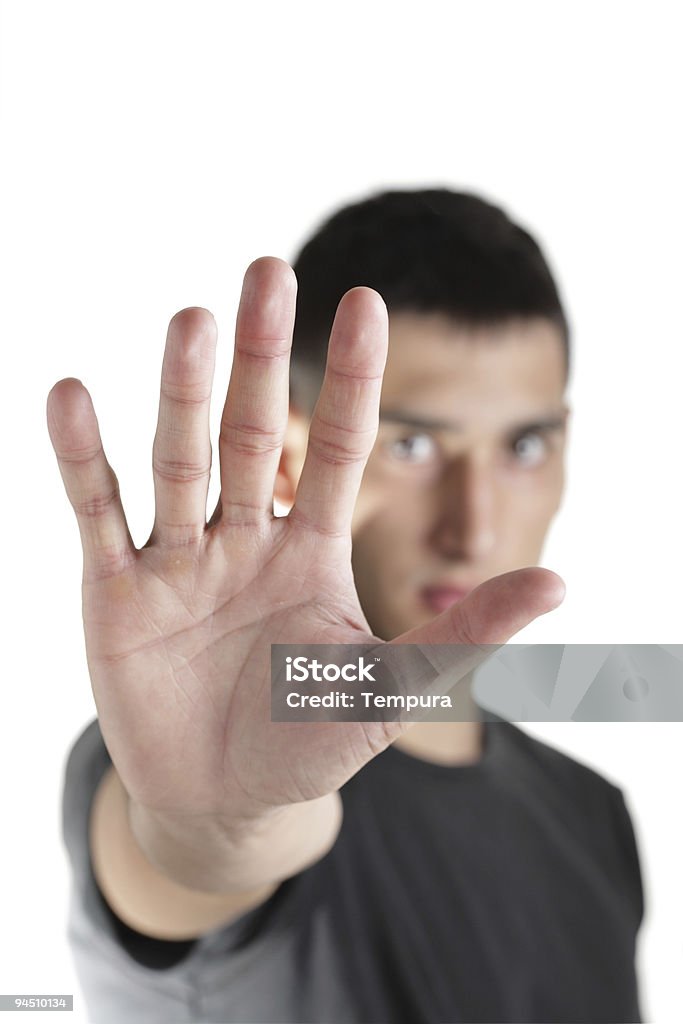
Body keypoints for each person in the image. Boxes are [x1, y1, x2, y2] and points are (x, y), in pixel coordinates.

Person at [49, 189, 644, 1023]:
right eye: (412, 444)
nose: (471, 526)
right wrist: (219, 829)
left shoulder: (590, 815)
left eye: (521, 445)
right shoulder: (199, 749)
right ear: (290, 457)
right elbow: (193, 859)